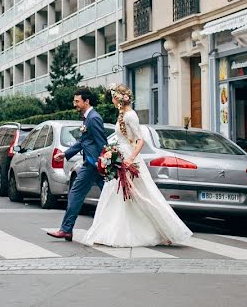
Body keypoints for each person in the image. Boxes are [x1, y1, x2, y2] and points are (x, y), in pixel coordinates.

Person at [80, 83, 192, 248]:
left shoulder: (130, 116)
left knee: (140, 195)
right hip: (120, 157)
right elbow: (121, 138)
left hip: (129, 160)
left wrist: (130, 158)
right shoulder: (121, 114)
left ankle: (163, 231)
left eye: (113, 96)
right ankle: (109, 231)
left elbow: (140, 140)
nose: (111, 99)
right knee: (116, 195)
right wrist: (110, 153)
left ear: (119, 98)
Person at [47, 88, 109, 241]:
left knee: (77, 194)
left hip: (94, 165)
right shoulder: (87, 117)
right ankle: (66, 229)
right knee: (108, 195)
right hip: (91, 164)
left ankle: (66, 229)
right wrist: (66, 154)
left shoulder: (93, 118)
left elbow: (102, 142)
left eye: (77, 101)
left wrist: (103, 163)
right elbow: (83, 141)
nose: (74, 104)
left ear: (86, 101)